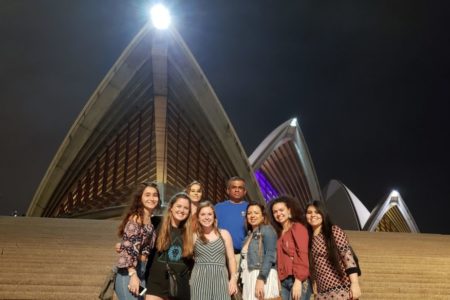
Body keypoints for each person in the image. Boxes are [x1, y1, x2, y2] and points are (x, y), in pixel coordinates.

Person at [305, 200, 361, 300]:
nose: (313, 215)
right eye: (309, 212)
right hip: (321, 292)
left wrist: (355, 283)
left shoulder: (333, 231)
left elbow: (348, 258)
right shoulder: (308, 238)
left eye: (317, 212)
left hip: (341, 289)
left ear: (323, 214)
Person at [115, 180, 160, 300]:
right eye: (147, 195)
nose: (152, 198)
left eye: (155, 195)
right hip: (129, 273)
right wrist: (132, 274)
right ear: (140, 198)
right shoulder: (136, 219)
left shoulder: (150, 221)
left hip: (142, 272)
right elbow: (128, 249)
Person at [146, 192, 194, 300]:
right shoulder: (156, 223)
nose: (181, 210)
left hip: (180, 287)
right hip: (155, 285)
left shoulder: (191, 232)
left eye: (186, 208)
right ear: (171, 207)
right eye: (178, 206)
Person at [190, 201, 238, 300]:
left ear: (214, 216)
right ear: (198, 218)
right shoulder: (194, 235)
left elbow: (231, 259)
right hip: (199, 280)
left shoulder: (224, 234)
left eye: (209, 214)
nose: (206, 217)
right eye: (203, 214)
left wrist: (233, 279)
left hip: (221, 280)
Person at [270, 196, 312, 300]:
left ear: (289, 211)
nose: (278, 214)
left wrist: (298, 280)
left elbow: (302, 253)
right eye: (275, 212)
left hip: (298, 278)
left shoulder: (297, 227)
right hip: (284, 281)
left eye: (281, 210)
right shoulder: (278, 234)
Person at [240, 202, 280, 300]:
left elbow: (270, 255)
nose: (252, 216)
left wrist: (261, 278)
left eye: (256, 213)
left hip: (262, 275)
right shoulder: (248, 236)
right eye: (249, 213)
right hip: (249, 276)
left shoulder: (267, 230)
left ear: (263, 216)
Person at [215, 176, 248, 265]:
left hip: (241, 256)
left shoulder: (250, 208)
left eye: (240, 188)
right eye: (234, 187)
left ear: (245, 191)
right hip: (220, 256)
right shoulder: (218, 208)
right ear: (228, 190)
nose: (237, 190)